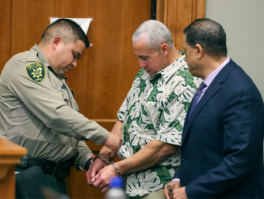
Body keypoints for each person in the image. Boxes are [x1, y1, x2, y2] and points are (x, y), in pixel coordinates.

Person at [0, 18, 121, 199]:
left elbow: (67, 130)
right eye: (75, 55)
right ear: (56, 42)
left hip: (52, 177)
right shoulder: (27, 67)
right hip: (25, 175)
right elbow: (57, 116)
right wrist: (107, 137)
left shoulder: (56, 80)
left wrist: (88, 160)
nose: (75, 63)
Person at [86, 20, 201, 198]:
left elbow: (165, 146)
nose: (140, 64)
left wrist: (116, 168)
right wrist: (104, 157)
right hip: (128, 181)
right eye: (138, 57)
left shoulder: (185, 80)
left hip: (158, 184)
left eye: (145, 58)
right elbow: (123, 119)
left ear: (164, 49)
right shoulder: (146, 73)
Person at [163, 18, 264, 199]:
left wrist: (191, 191)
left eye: (186, 50)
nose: (184, 57)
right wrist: (180, 178)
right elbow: (201, 147)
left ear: (198, 51)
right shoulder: (209, 85)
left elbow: (240, 161)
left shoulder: (241, 92)